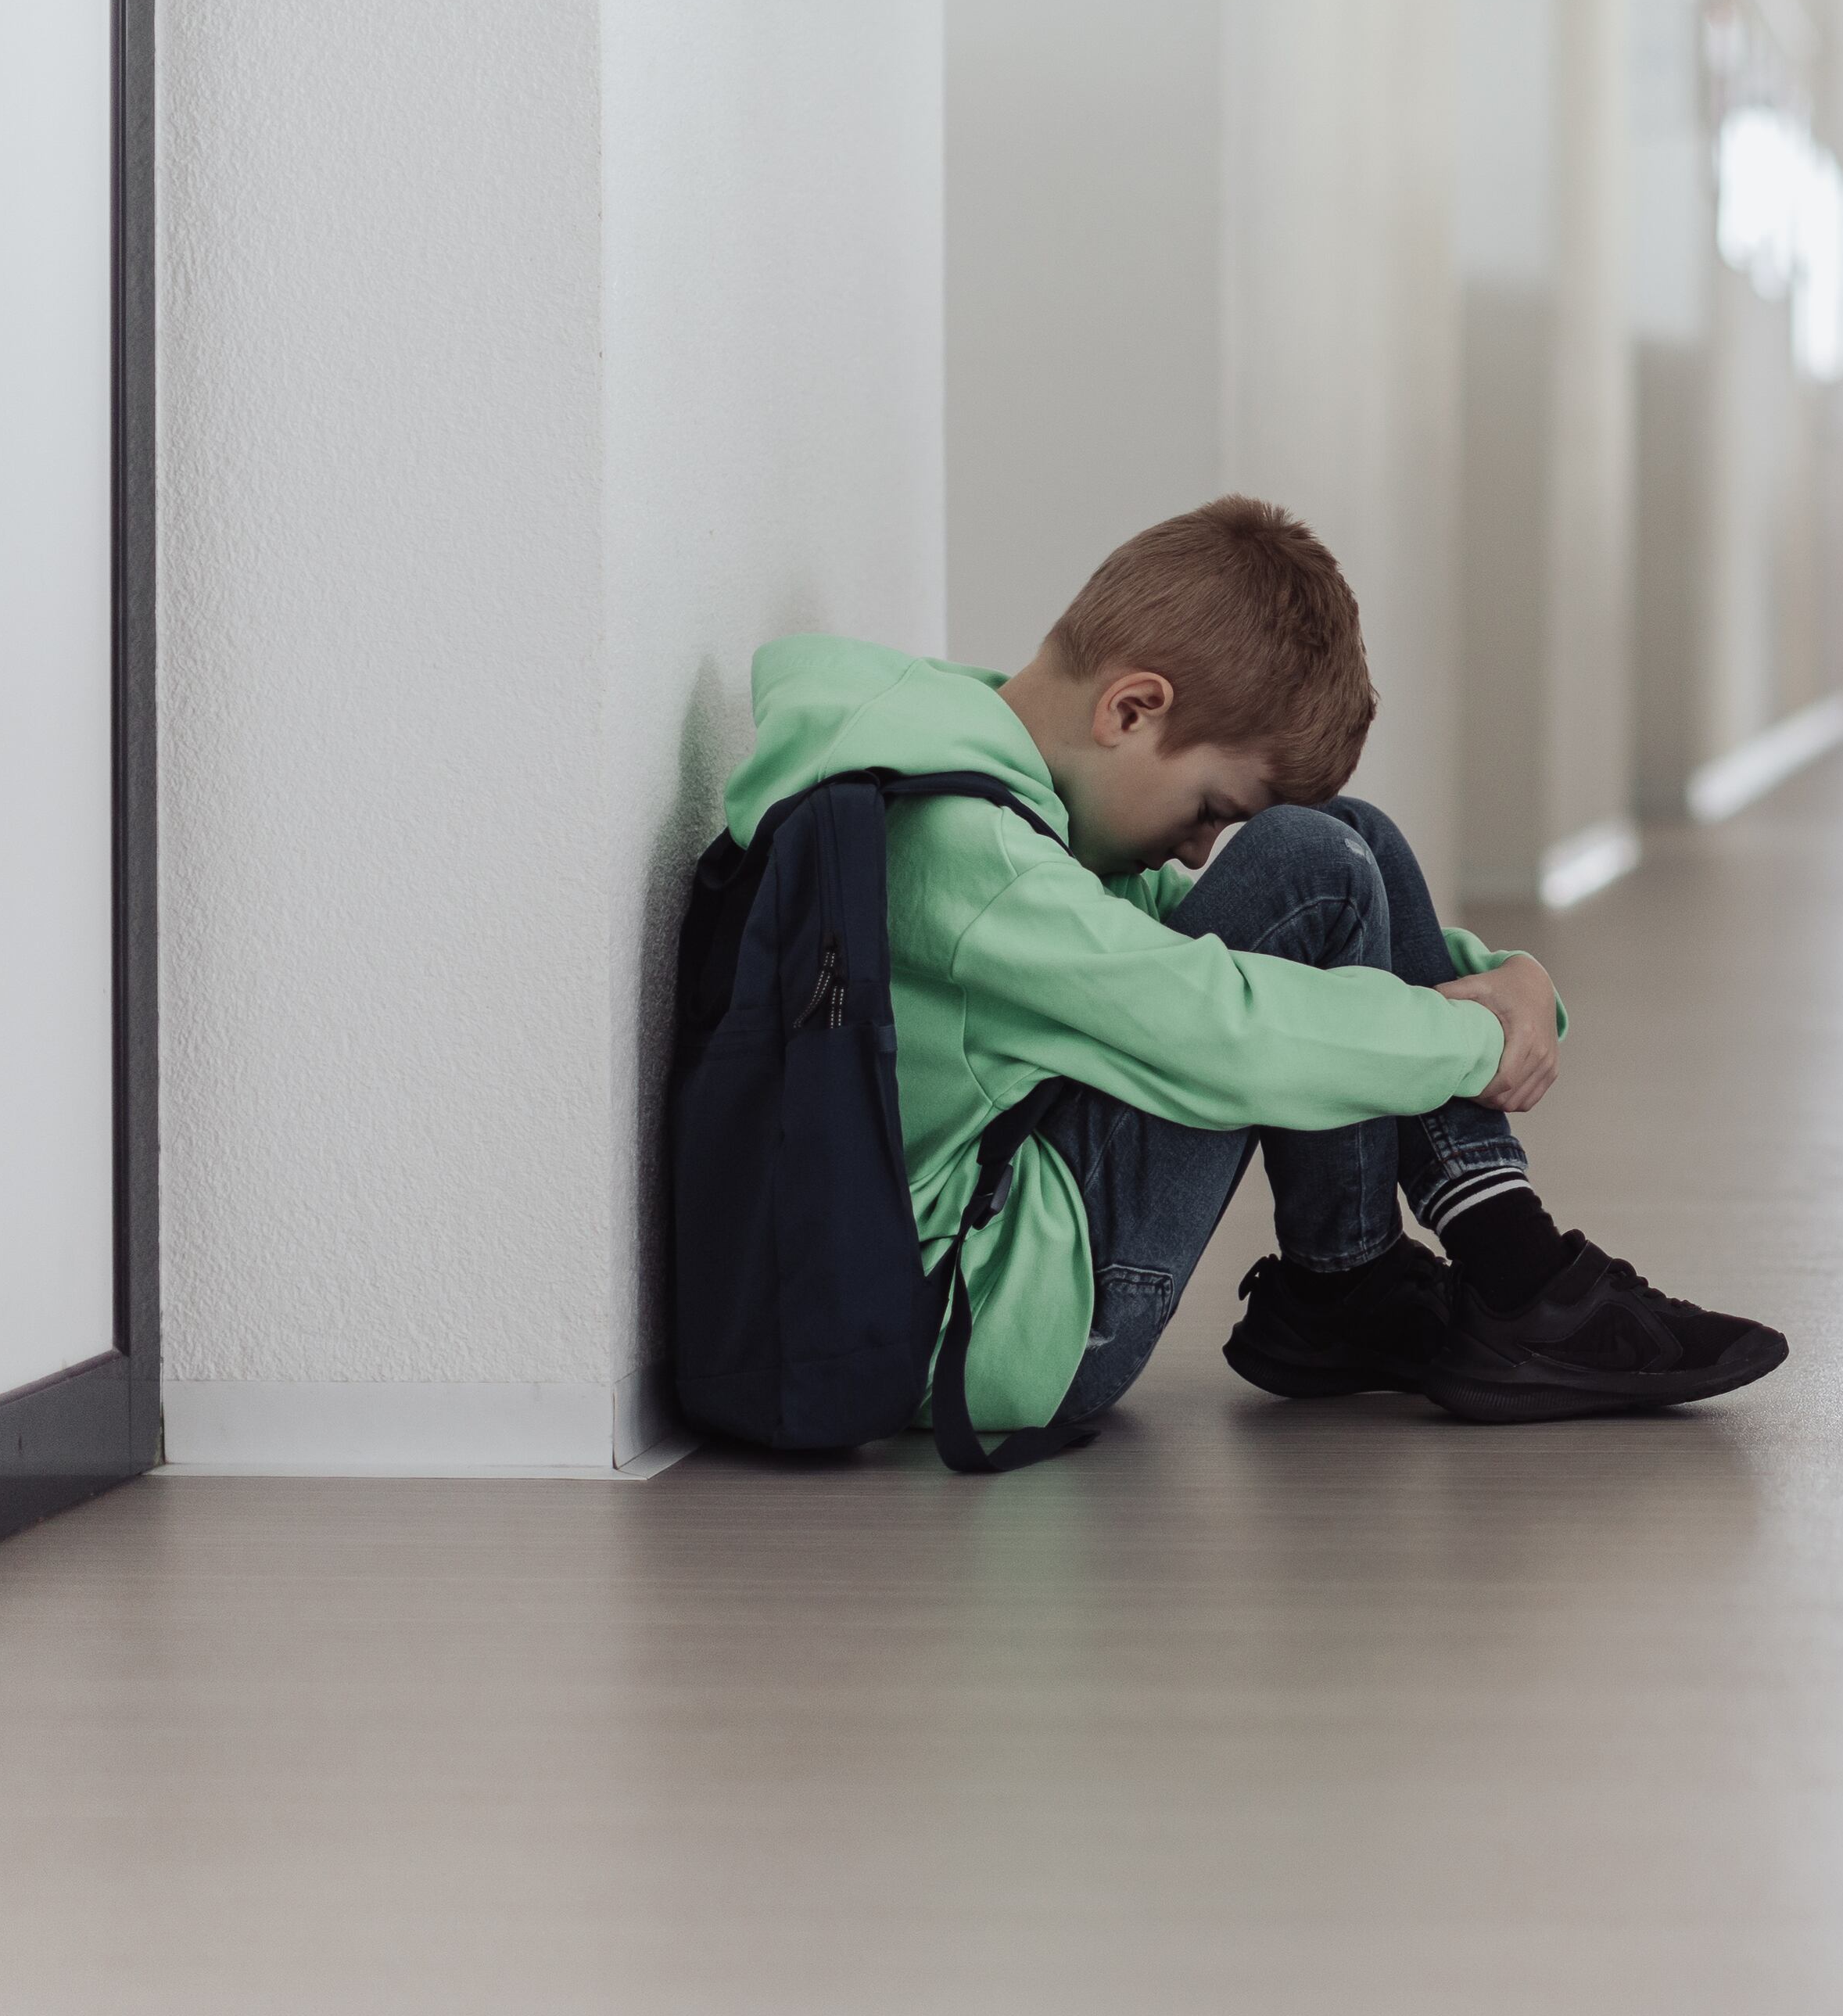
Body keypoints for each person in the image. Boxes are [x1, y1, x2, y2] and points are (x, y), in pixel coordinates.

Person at [715, 496, 1787, 1431]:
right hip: (995, 1329)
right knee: (1315, 858)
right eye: (1209, 810)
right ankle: (1492, 1271)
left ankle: (1378, 1287)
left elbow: (1197, 938)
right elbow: (1213, 1024)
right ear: (1133, 709)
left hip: (1004, 1257)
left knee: (1340, 842)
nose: (1196, 850)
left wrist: (1506, 980)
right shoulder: (967, 850)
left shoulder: (972, 780)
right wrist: (1472, 1040)